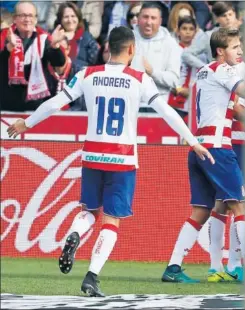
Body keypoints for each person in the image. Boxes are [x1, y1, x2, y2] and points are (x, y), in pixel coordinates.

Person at [7, 26, 213, 297]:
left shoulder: (87, 74)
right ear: (131, 50)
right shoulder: (139, 78)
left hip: (92, 153)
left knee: (89, 211)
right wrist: (192, 140)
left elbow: (56, 103)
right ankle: (92, 276)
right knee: (112, 219)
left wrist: (27, 123)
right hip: (122, 157)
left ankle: (76, 235)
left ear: (107, 49)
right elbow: (167, 113)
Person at [161, 28, 245, 283]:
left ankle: (173, 268)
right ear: (220, 51)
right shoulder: (223, 70)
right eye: (235, 47)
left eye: (240, 46)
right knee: (240, 206)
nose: (240, 51)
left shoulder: (206, 72)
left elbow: (235, 108)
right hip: (218, 148)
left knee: (201, 210)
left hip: (199, 147)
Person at [0, 1, 66, 112]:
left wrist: (55, 46)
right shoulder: (3, 37)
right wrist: (8, 50)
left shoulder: (44, 39)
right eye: (23, 15)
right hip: (7, 106)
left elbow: (58, 63)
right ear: (14, 18)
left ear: (36, 19)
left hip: (36, 107)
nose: (27, 19)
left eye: (30, 15)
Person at [130, 2, 182, 107]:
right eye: (145, 17)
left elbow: (174, 80)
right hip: (129, 101)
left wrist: (152, 72)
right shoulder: (126, 39)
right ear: (138, 18)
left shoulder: (170, 44)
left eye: (153, 18)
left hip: (158, 104)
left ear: (160, 21)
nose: (149, 22)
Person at [181, 1, 240, 70]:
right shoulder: (209, 36)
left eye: (230, 14)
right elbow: (186, 54)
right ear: (217, 18)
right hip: (217, 77)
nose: (228, 18)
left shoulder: (243, 33)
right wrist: (206, 68)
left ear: (235, 14)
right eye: (224, 15)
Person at [168, 16, 200, 118]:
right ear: (178, 31)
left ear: (195, 32)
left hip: (194, 102)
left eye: (191, 29)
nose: (187, 32)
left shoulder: (201, 54)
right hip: (174, 101)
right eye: (184, 28)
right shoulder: (172, 50)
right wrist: (179, 89)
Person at [53, 2, 99, 72]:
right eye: (66, 17)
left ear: (78, 18)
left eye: (73, 16)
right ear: (60, 19)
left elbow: (95, 60)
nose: (70, 20)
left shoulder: (86, 37)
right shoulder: (55, 37)